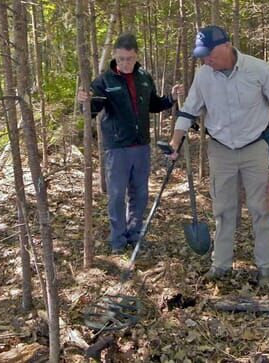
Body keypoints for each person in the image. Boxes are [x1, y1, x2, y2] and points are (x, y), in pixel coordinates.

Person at [169, 25, 269, 286]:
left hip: (254, 147)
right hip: (220, 149)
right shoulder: (203, 76)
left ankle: (266, 268)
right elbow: (189, 110)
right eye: (202, 55)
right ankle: (221, 265)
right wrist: (176, 140)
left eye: (210, 54)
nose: (206, 59)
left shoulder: (257, 69)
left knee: (261, 209)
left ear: (226, 46)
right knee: (223, 210)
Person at [78, 33, 184, 255]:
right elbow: (91, 111)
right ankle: (117, 238)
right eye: (121, 58)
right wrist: (84, 102)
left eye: (130, 58)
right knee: (116, 195)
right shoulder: (104, 81)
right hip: (117, 148)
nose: (125, 63)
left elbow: (154, 104)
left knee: (140, 193)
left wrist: (171, 98)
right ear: (115, 56)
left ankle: (134, 233)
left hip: (141, 146)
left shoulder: (144, 77)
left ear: (137, 56)